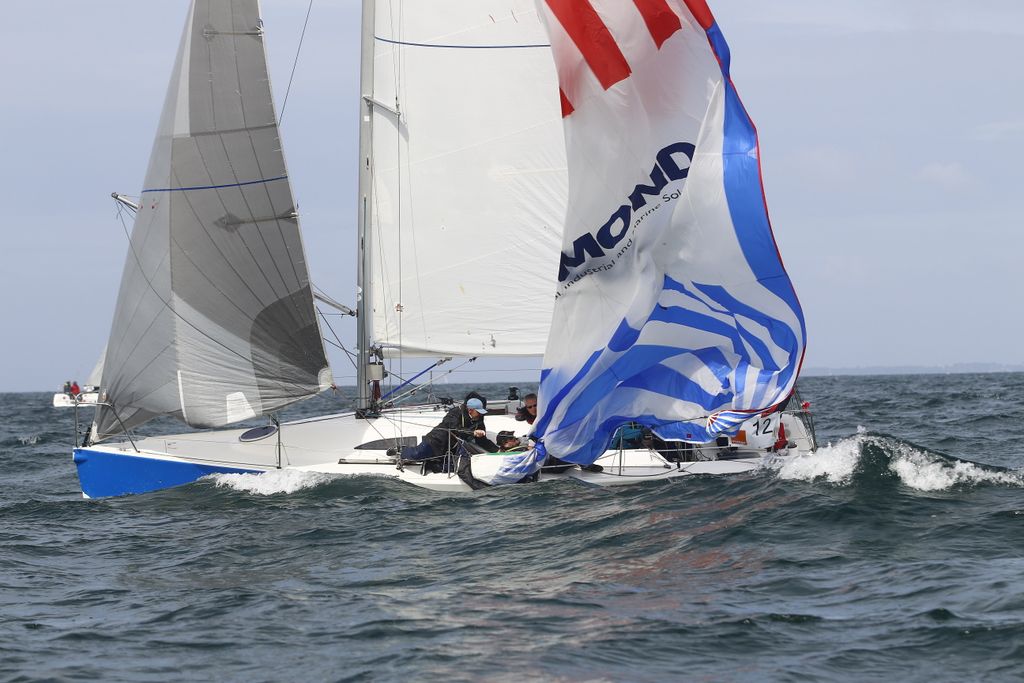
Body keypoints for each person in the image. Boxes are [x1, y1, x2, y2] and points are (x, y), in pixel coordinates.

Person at [400, 397, 490, 463]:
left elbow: (483, 441)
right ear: (470, 410)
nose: (480, 415)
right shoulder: (455, 413)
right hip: (435, 441)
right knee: (417, 454)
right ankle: (401, 451)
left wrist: (496, 451)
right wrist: (472, 432)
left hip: (448, 449)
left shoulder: (478, 421)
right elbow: (454, 428)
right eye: (478, 412)